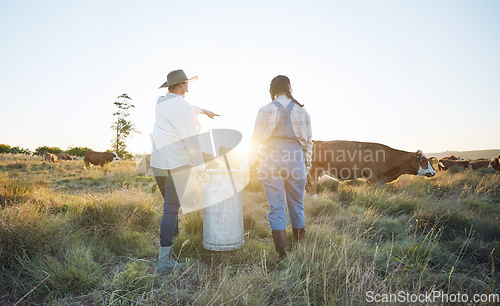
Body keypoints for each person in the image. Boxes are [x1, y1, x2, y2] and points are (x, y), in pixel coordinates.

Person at [150, 69, 219, 273]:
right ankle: (164, 262)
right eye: (187, 83)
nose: (189, 86)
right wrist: (202, 166)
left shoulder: (161, 103)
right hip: (177, 163)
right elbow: (191, 139)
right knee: (171, 208)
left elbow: (188, 108)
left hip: (158, 163)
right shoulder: (182, 106)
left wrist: (204, 110)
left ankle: (173, 239)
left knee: (169, 207)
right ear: (181, 85)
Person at [249, 75, 313, 259]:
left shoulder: (265, 110)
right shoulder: (302, 112)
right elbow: (308, 143)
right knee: (297, 206)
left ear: (273, 89)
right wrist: (305, 164)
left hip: (271, 159)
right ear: (289, 87)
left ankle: (282, 254)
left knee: (276, 207)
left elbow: (255, 140)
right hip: (296, 160)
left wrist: (253, 164)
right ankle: (300, 249)